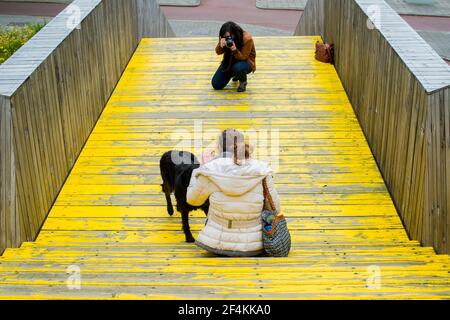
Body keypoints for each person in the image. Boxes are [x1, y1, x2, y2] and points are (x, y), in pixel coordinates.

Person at [186, 129, 280, 257]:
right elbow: (275, 208)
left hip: (216, 243)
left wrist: (195, 173)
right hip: (255, 244)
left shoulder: (210, 170)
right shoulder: (262, 170)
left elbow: (192, 200)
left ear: (219, 147)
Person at [211, 21, 256, 93]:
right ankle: (235, 74)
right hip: (229, 63)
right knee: (216, 85)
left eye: (229, 37)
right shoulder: (224, 37)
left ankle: (243, 81)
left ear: (235, 33)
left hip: (245, 63)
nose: (228, 39)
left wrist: (234, 49)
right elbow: (218, 52)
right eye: (225, 37)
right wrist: (220, 45)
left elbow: (243, 57)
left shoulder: (247, 38)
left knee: (238, 67)